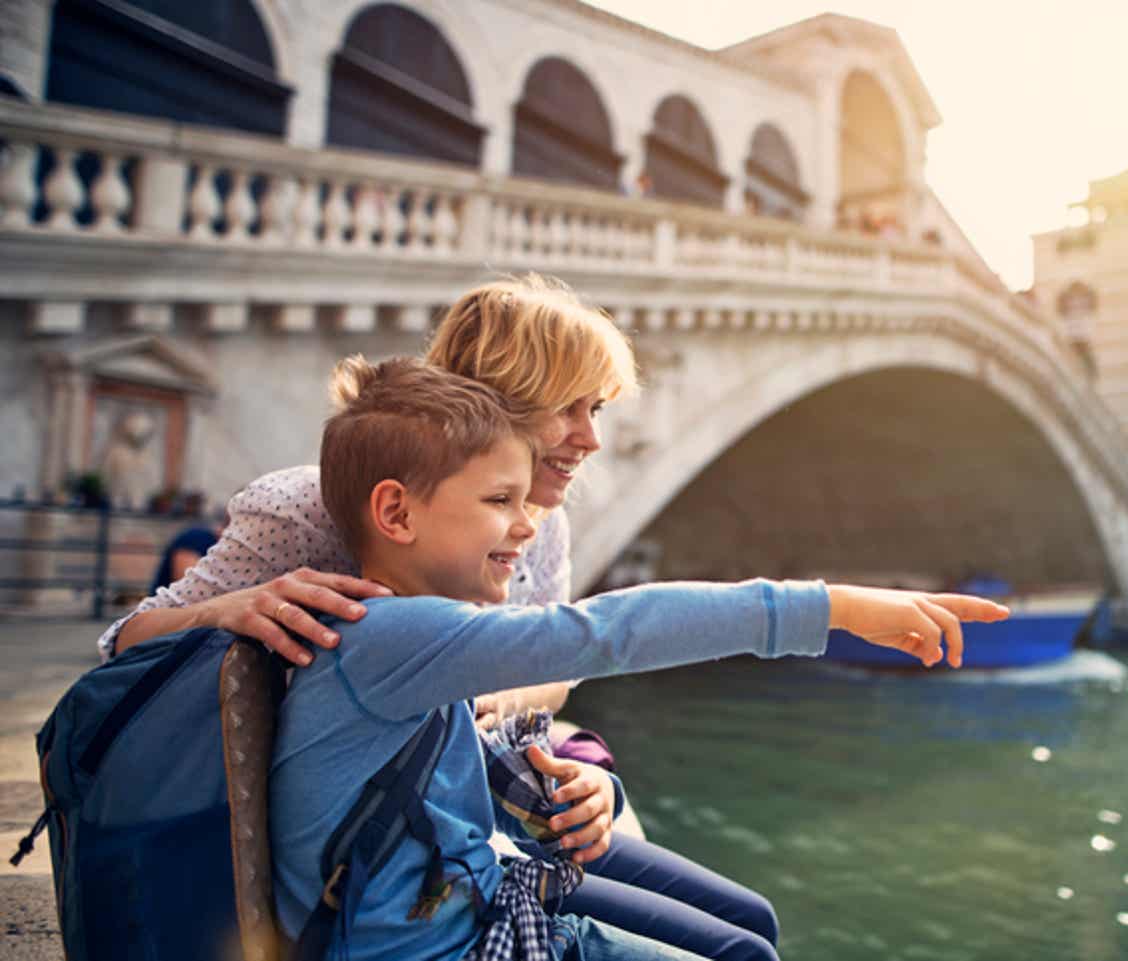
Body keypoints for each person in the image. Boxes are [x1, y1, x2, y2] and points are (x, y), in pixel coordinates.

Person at [94, 275, 787, 959]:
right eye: (568, 408)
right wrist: (230, 608)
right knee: (736, 945)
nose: (591, 439)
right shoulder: (308, 507)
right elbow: (122, 648)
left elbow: (554, 667)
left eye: (597, 409)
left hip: (482, 816)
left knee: (749, 917)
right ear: (498, 400)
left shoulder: (541, 519)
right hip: (389, 864)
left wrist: (500, 691)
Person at [271, 356, 1008, 961]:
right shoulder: (393, 635)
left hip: (473, 902)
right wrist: (838, 608)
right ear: (396, 513)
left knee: (749, 931)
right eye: (500, 500)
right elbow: (610, 629)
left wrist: (588, 787)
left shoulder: (400, 632)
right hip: (449, 940)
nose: (525, 525)